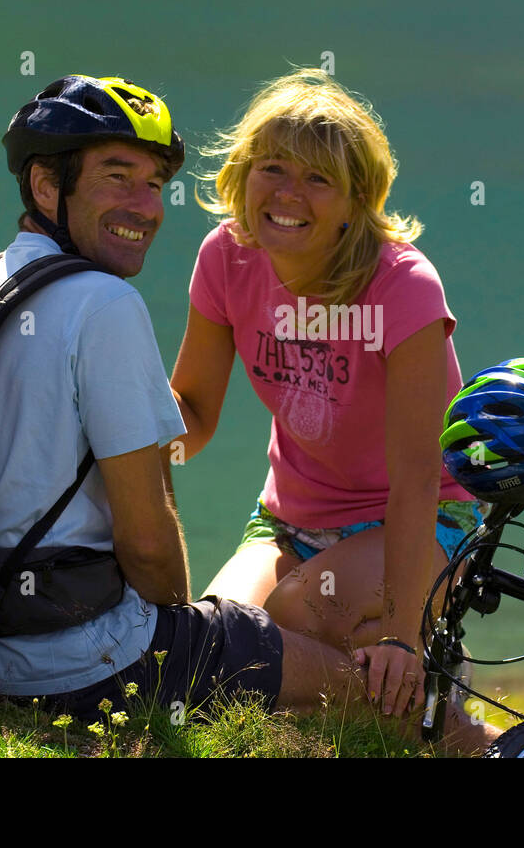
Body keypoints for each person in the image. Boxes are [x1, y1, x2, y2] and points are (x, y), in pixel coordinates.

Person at [0, 74, 387, 725]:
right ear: (47, 186)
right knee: (366, 684)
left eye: (154, 184)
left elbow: (170, 420)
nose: (146, 206)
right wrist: (184, 633)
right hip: (80, 658)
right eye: (117, 178)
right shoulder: (106, 305)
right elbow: (150, 546)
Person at [169, 69, 483, 717]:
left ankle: (450, 715)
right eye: (273, 168)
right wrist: (102, 415)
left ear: (355, 199)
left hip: (421, 519)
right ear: (241, 175)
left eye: (318, 178)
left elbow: (419, 477)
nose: (289, 194)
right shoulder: (226, 257)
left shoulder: (403, 285)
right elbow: (192, 415)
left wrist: (398, 629)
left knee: (295, 617)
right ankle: (416, 691)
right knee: (206, 643)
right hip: (289, 521)